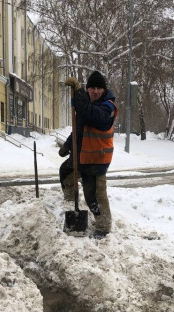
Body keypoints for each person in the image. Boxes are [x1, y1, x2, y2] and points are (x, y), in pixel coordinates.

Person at [59, 71, 118, 239]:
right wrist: (67, 145)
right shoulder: (86, 104)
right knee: (66, 172)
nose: (95, 91)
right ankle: (71, 202)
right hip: (82, 156)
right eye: (91, 87)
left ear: (104, 90)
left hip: (97, 159)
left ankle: (103, 226)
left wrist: (78, 92)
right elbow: (79, 129)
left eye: (99, 88)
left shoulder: (107, 107)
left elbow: (91, 114)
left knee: (95, 195)